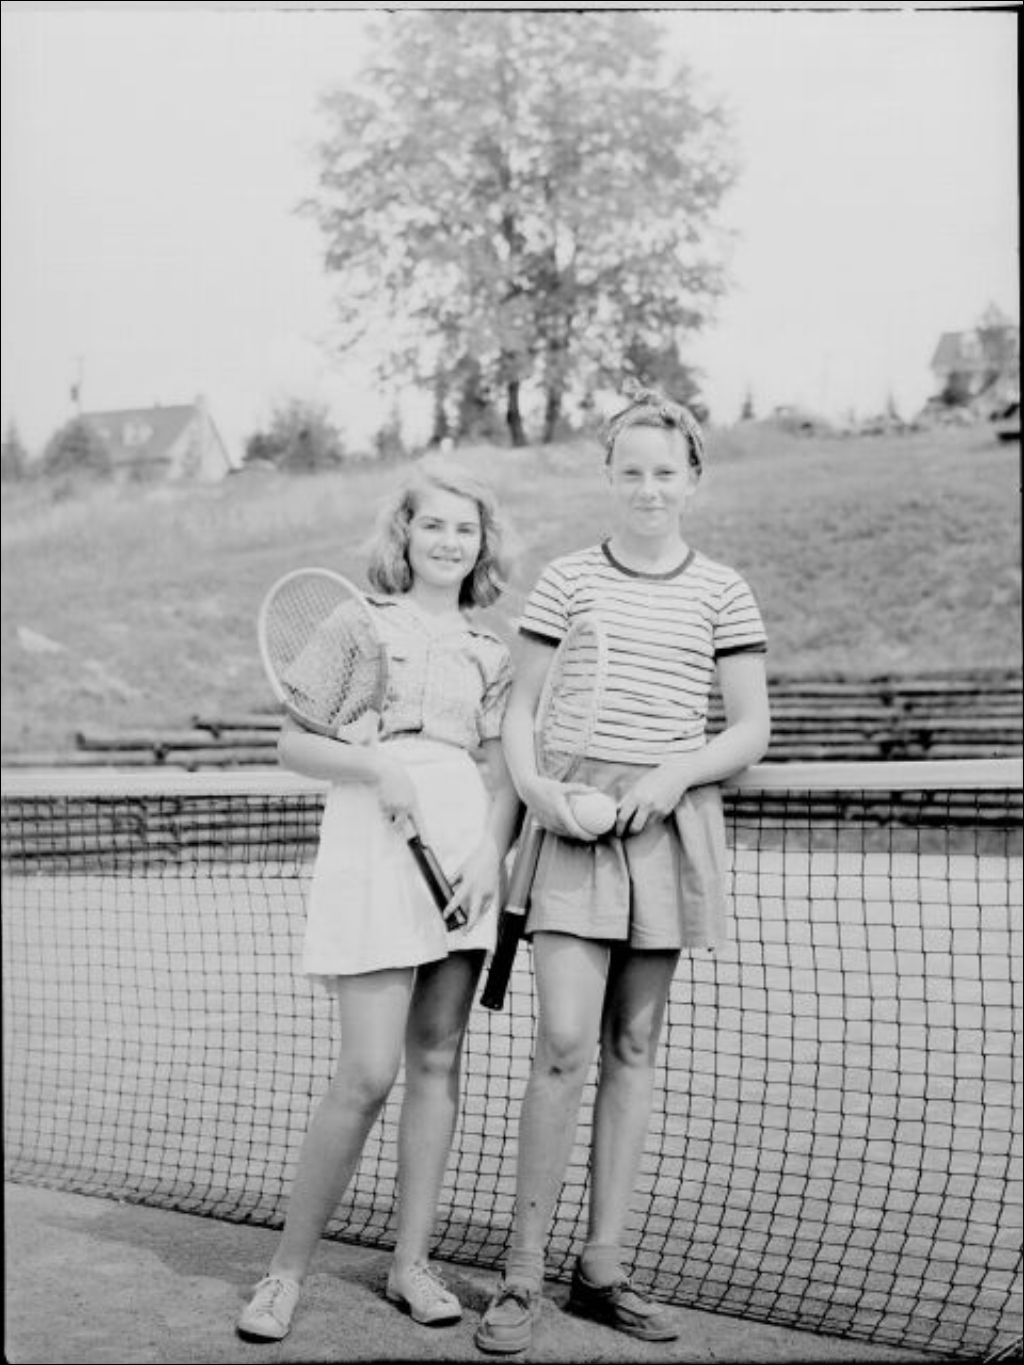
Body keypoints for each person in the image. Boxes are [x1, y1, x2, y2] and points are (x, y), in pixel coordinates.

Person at [475, 383, 771, 1355]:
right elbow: (520, 710)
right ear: (609, 476)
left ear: (692, 478)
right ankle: (521, 1273)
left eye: (665, 472)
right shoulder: (568, 580)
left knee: (633, 1048)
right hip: (570, 821)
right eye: (631, 471)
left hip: (666, 823)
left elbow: (749, 728)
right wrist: (539, 791)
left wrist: (677, 771)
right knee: (563, 1043)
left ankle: (601, 1268)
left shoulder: (722, 590)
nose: (649, 488)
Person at [237, 457, 520, 1342]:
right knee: (366, 1072)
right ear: (405, 533)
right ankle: (285, 1274)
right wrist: (376, 767)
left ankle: (410, 1264)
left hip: (461, 852)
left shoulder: (493, 652)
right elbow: (294, 744)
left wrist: (490, 853)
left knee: (437, 1062)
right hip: (372, 839)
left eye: (466, 528)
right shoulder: (357, 622)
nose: (449, 540)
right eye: (433, 523)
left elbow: (504, 772)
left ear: (483, 544)